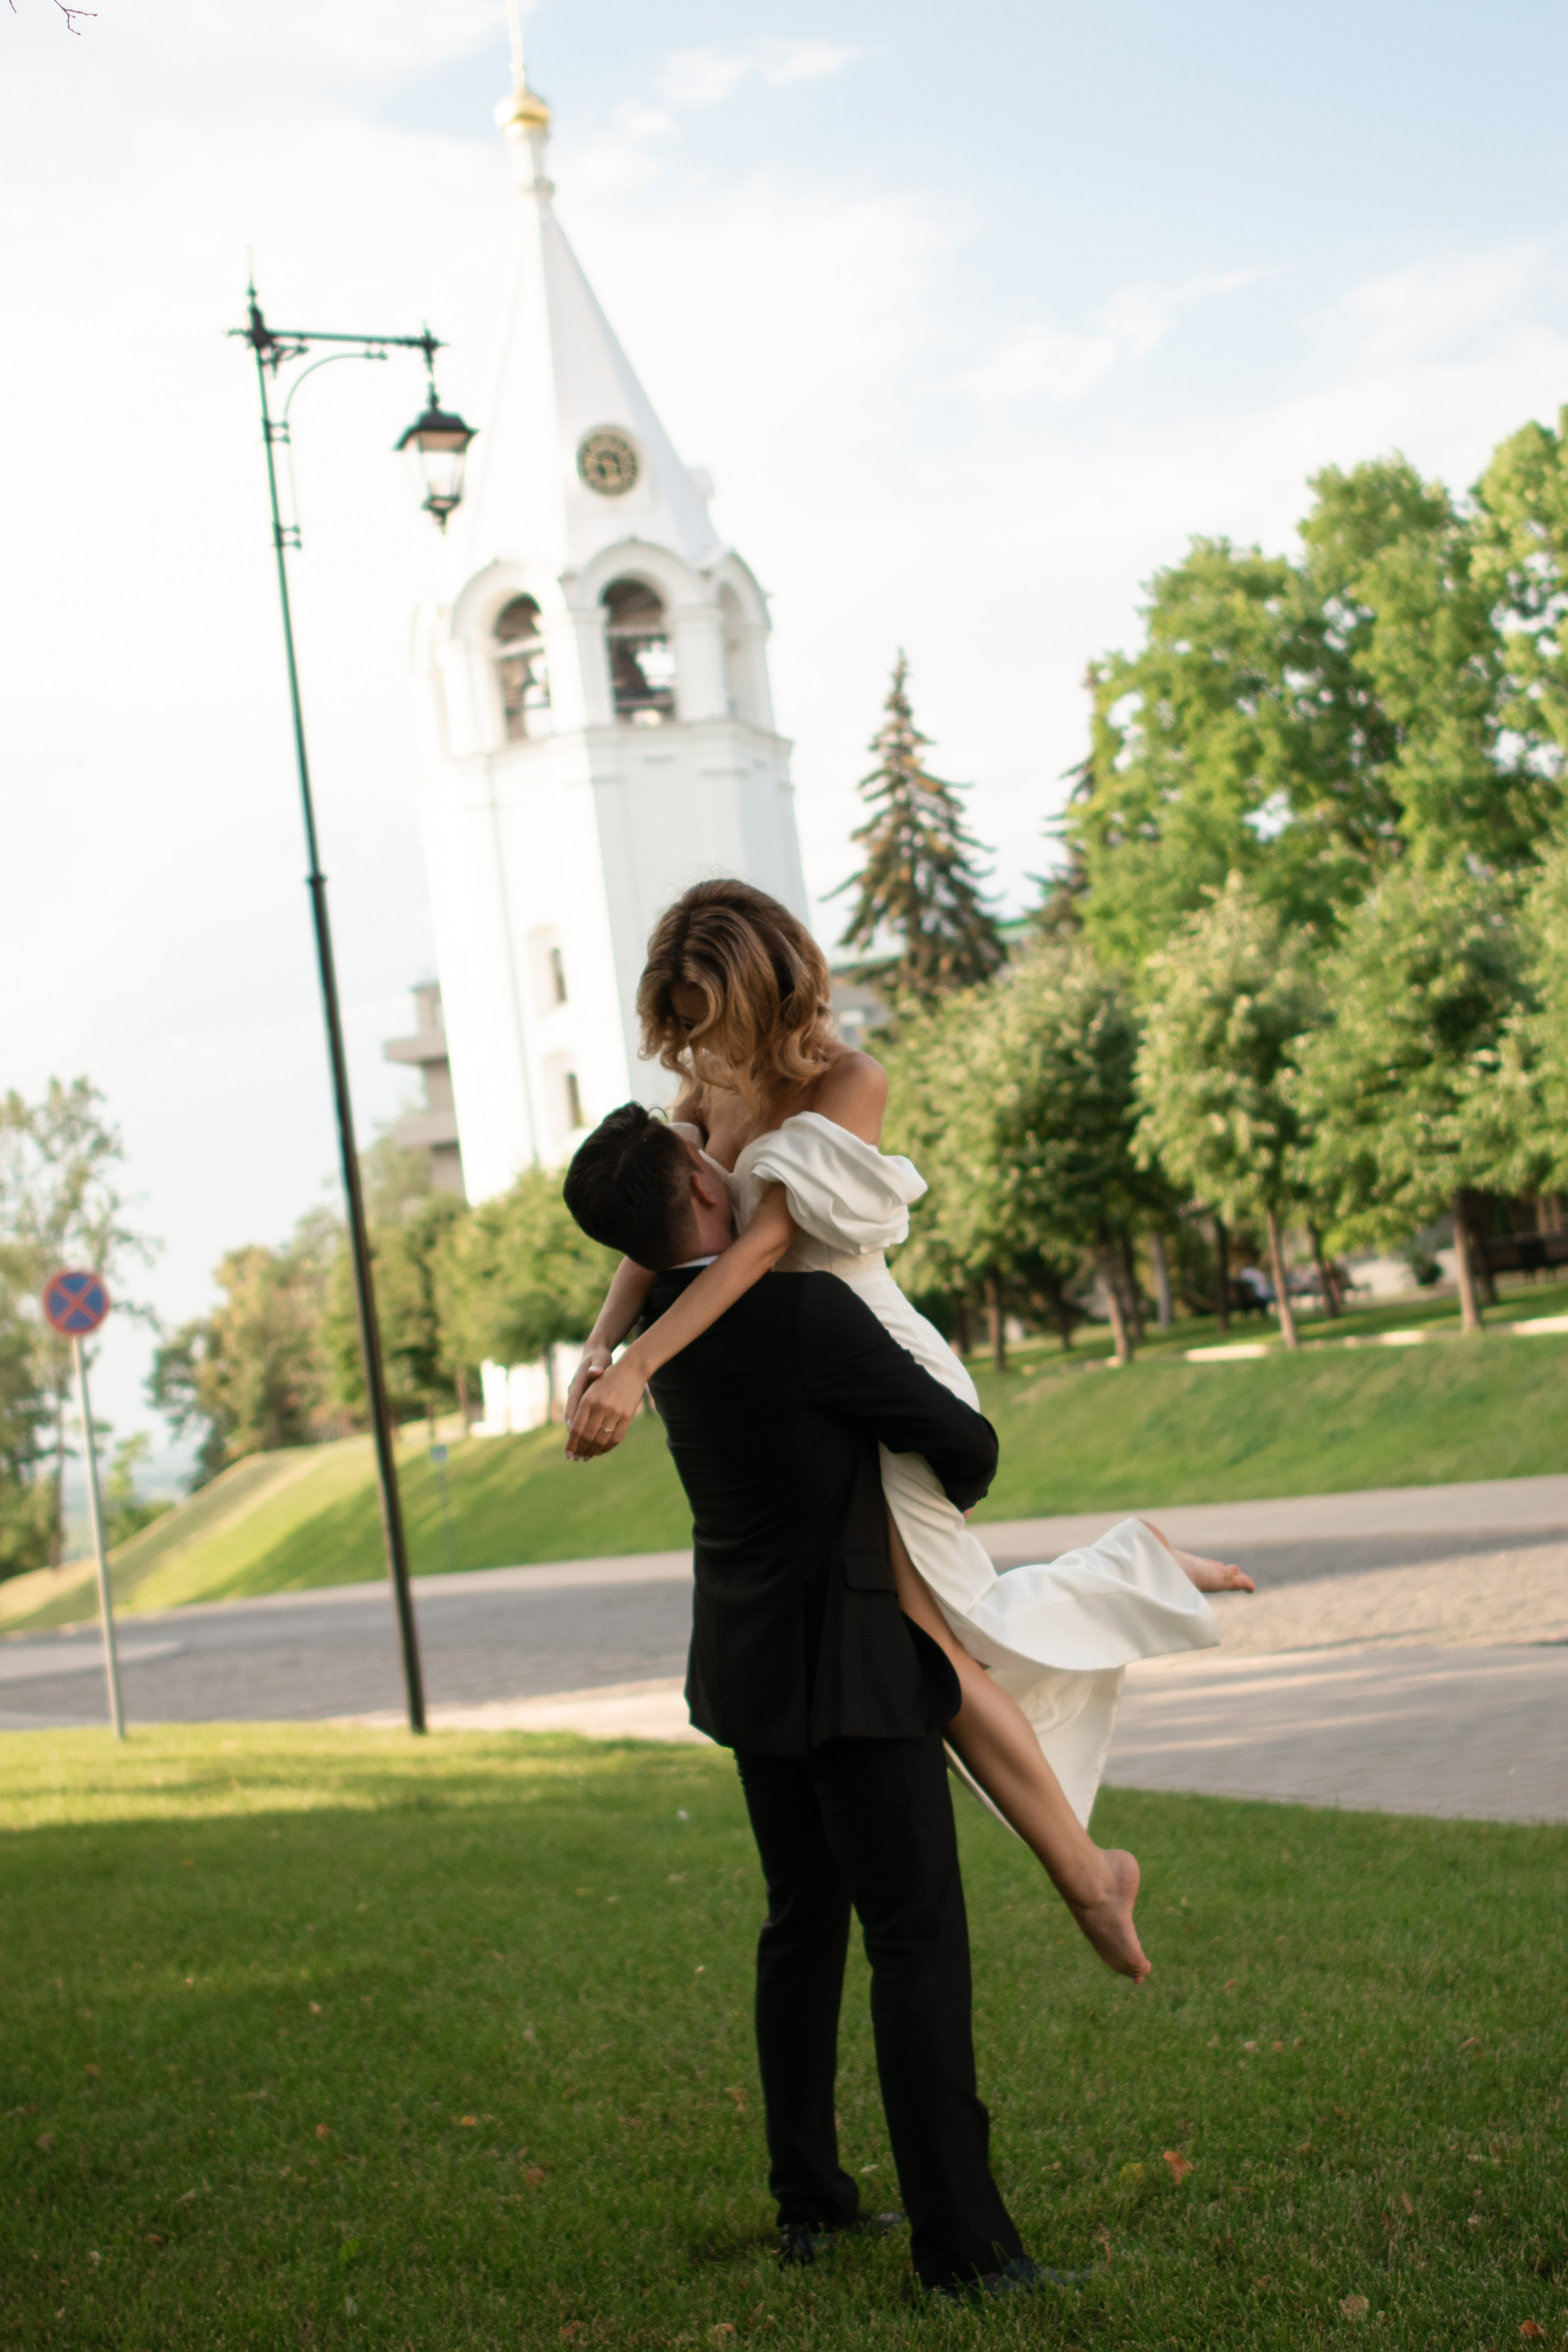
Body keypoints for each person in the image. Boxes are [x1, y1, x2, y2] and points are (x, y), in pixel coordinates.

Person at [565, 879, 1254, 1982]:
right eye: (678, 1018)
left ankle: (1091, 1861)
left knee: (933, 1640)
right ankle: (1091, 1851)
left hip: (873, 1367)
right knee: (932, 1638)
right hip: (804, 1383)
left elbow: (756, 1249)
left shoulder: (847, 1081)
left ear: (761, 983)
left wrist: (644, 1364)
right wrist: (599, 1348)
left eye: (704, 1013)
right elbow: (659, 1235)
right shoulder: (705, 1085)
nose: (689, 1042)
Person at [563, 1100, 1038, 2299]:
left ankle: (811, 2204)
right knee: (915, 1942)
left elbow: (666, 1212)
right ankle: (966, 2256)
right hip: (854, 1663)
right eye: (709, 1159)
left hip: (747, 1663)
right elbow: (966, 1447)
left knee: (800, 1927)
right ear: (709, 1196)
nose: (726, 1156)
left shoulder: (657, 1329)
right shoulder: (807, 1310)